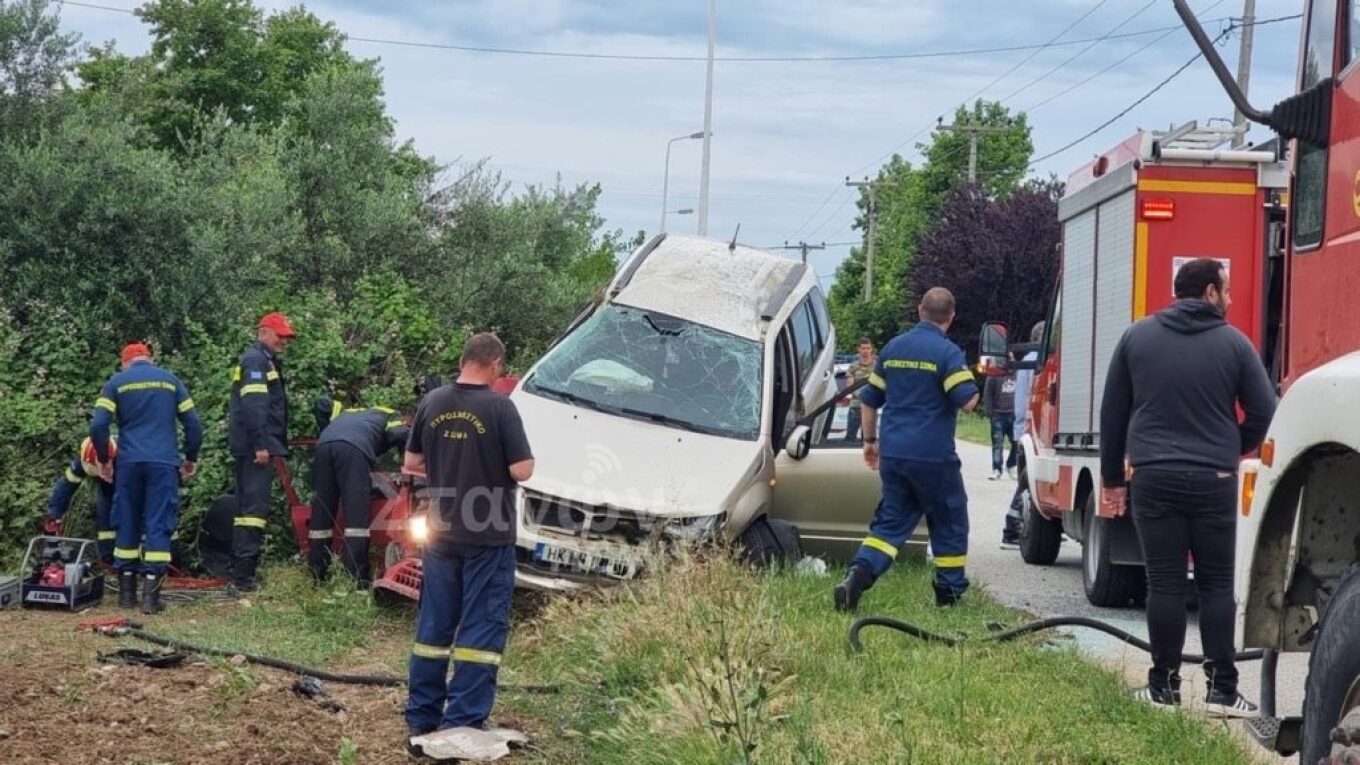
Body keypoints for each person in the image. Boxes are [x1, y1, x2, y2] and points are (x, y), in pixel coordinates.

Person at [1100, 258, 1275, 716]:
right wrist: (1229, 446)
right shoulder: (1235, 345)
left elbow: (1113, 414)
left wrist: (1113, 480)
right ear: (1211, 292)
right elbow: (1264, 410)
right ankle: (1222, 692)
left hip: (1154, 477)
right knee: (1217, 584)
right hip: (1215, 479)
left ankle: (1163, 688)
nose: (1232, 299)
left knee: (1164, 583)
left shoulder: (1136, 338)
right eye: (1228, 290)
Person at [404, 333, 534, 738]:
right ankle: (462, 722)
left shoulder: (434, 401)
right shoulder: (500, 407)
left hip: (440, 530)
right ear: (494, 364)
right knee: (480, 629)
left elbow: (411, 461)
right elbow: (522, 471)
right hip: (488, 534)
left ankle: (422, 718)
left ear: (463, 360)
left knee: (434, 627)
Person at [834, 287, 981, 611]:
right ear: (951, 317)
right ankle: (949, 594)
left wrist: (870, 443)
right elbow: (968, 401)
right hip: (933, 456)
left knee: (890, 523)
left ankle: (858, 574)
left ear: (919, 310)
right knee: (949, 518)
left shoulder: (892, 349)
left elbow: (869, 402)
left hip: (895, 454)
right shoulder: (947, 353)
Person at [91, 343, 202, 614]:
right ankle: (151, 598)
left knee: (126, 518)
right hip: (163, 463)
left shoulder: (116, 382)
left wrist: (105, 460)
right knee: (158, 521)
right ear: (150, 360)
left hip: (128, 464)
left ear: (125, 363)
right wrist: (190, 457)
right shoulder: (171, 381)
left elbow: (98, 425)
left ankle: (126, 595)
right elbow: (193, 424)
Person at [226, 311, 296, 593]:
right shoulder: (256, 361)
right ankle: (243, 577)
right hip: (255, 448)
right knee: (254, 510)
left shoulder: (261, 360)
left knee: (246, 510)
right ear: (264, 332)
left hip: (251, 446)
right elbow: (254, 406)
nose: (284, 342)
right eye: (280, 336)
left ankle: (241, 572)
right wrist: (260, 445)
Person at [306, 400, 409, 585]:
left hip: (323, 445)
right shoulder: (391, 412)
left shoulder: (349, 414)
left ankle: (317, 574)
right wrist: (405, 456)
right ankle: (356, 579)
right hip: (354, 449)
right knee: (356, 518)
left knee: (322, 512)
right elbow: (399, 434)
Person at [1002, 322, 1045, 549]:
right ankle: (1011, 528)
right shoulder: (1035, 359)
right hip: (1032, 428)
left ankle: (1015, 526)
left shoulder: (1027, 360)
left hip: (1025, 427)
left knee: (1026, 481)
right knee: (1027, 482)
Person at [43, 436, 118, 564]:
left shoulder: (127, 456)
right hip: (107, 487)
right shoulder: (84, 460)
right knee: (104, 519)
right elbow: (66, 486)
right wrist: (54, 514)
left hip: (128, 483)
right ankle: (109, 559)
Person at [983, 365, 1018, 480]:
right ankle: (997, 469)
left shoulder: (1017, 372)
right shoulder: (994, 374)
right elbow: (987, 394)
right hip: (998, 414)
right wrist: (990, 413)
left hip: (1014, 414)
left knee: (1016, 442)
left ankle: (1012, 465)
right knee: (997, 444)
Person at [844, 338, 877, 442]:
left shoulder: (877, 366)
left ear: (872, 349)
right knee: (850, 438)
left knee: (868, 439)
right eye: (863, 348)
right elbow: (850, 387)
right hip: (856, 406)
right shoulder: (854, 366)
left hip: (872, 406)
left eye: (868, 348)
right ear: (859, 349)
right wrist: (862, 396)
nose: (866, 351)